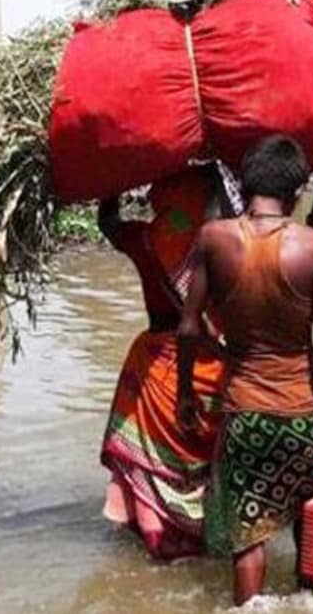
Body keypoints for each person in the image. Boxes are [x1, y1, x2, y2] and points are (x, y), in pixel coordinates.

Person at [176, 135, 313, 606]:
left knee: (248, 538)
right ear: (297, 191)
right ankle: (305, 602)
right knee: (309, 525)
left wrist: (185, 394)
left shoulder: (215, 239)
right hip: (300, 415)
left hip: (244, 414)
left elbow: (189, 327)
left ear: (243, 183)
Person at [97, 167, 233, 561]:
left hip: (157, 366)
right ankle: (205, 534)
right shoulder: (228, 246)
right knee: (208, 465)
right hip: (212, 368)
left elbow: (107, 223)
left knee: (148, 465)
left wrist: (111, 179)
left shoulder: (144, 239)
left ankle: (155, 533)